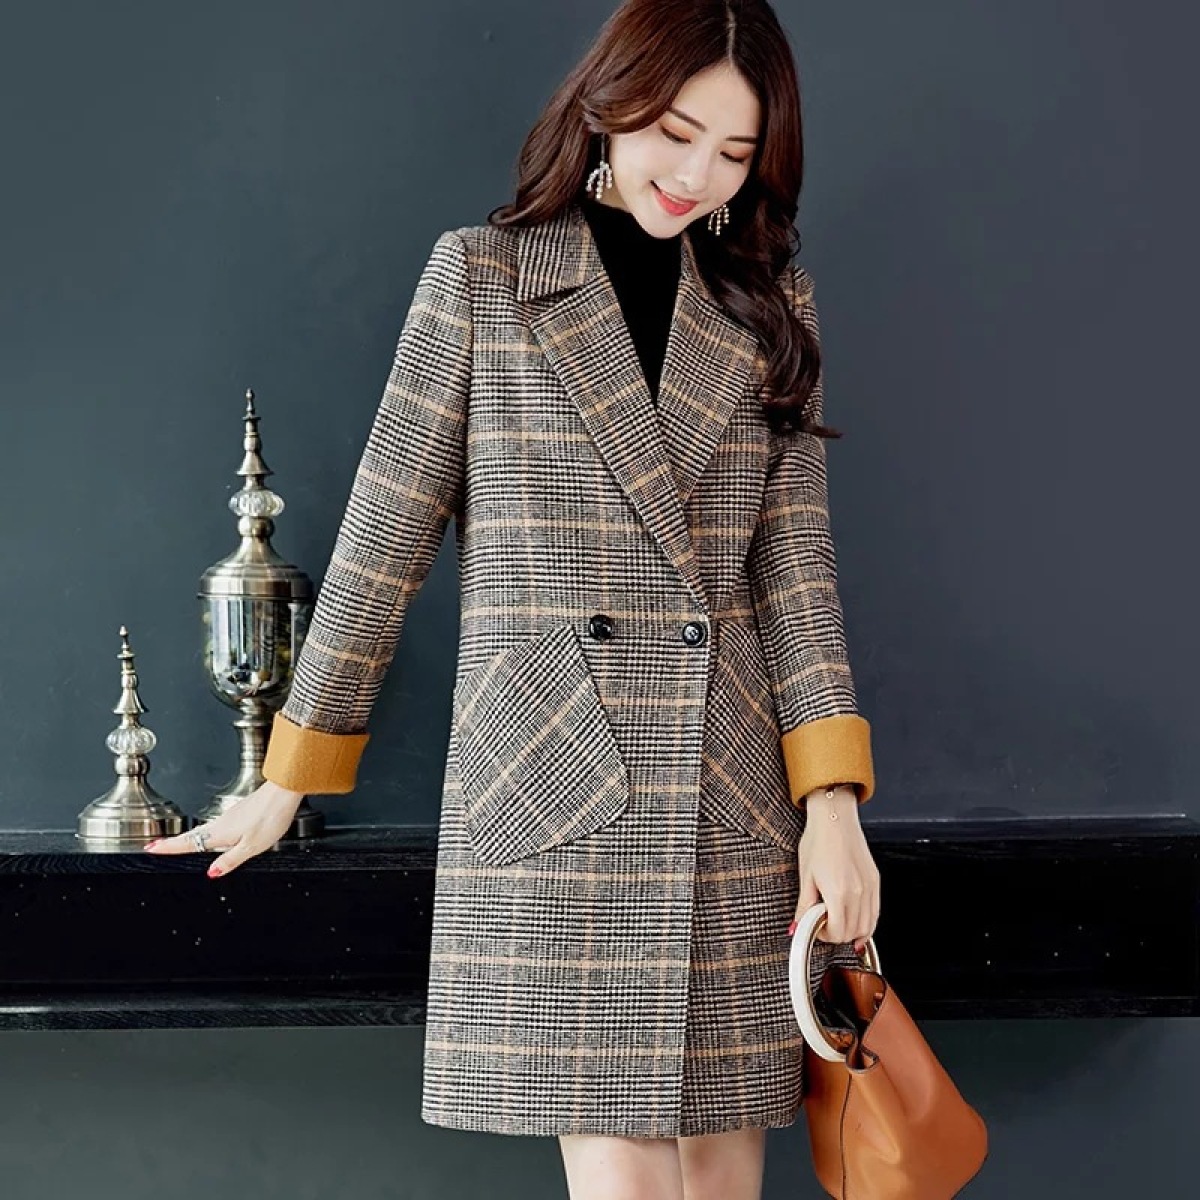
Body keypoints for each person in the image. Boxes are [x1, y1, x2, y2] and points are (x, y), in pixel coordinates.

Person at [144, 0, 882, 1195]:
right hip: (556, 776)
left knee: (721, 1178)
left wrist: (833, 805)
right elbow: (386, 533)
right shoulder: (483, 276)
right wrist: (289, 776)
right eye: (676, 132)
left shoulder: (766, 298)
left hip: (730, 793)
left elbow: (794, 571)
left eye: (735, 152)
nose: (697, 174)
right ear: (611, 101)